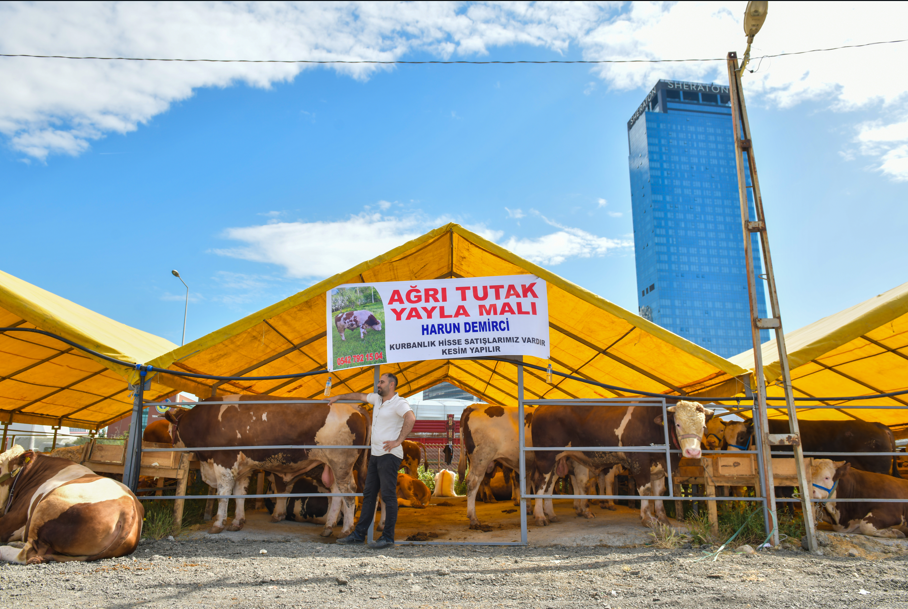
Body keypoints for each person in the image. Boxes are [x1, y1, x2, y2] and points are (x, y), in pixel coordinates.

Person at [328, 372, 415, 549]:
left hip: (389, 455)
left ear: (391, 385)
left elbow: (411, 417)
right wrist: (339, 397)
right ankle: (359, 535)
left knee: (388, 496)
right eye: (379, 382)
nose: (378, 384)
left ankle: (388, 537)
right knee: (369, 495)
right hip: (376, 455)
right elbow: (358, 395)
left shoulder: (399, 402)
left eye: (381, 382)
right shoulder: (377, 400)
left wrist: (398, 441)